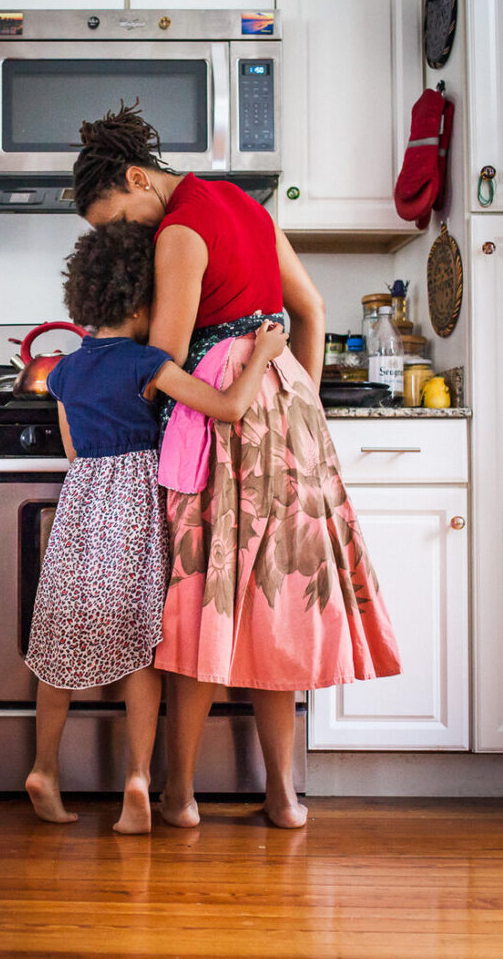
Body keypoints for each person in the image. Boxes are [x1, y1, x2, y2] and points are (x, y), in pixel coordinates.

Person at [72, 103, 402, 830]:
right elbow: (310, 309)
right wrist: (302, 403)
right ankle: (283, 795)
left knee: (202, 603)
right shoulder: (248, 208)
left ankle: (181, 796)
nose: (122, 234)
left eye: (117, 218)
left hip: (218, 419)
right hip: (288, 408)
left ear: (138, 179)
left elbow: (159, 360)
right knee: (274, 605)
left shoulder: (178, 232)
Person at [24, 219, 288, 835]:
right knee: (143, 647)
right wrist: (264, 355)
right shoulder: (148, 363)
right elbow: (228, 407)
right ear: (145, 304)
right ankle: (138, 780)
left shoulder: (61, 372)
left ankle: (42, 768)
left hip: (81, 512)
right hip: (137, 511)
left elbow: (73, 451)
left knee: (58, 642)